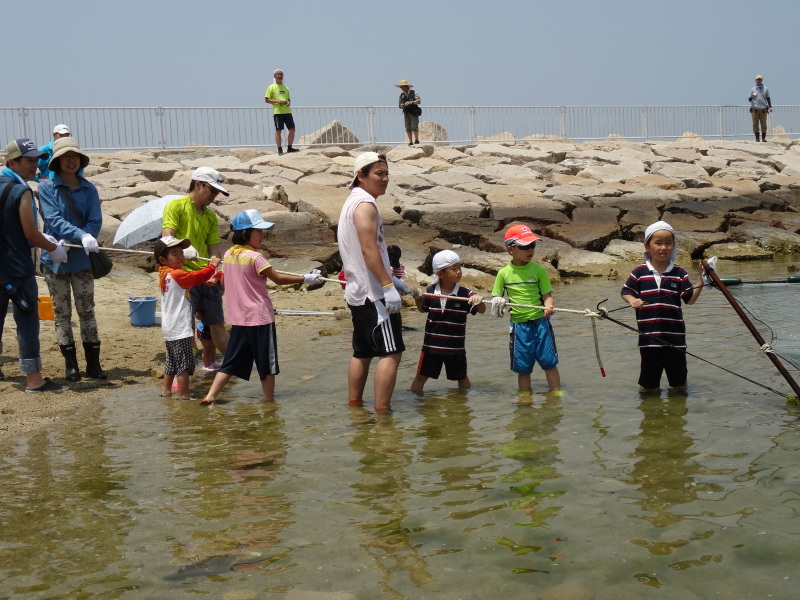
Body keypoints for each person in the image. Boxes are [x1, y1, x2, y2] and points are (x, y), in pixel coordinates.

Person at [201, 209, 322, 405]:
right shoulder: (256, 257)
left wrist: (218, 277)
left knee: (231, 360)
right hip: (260, 318)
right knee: (267, 363)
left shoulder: (229, 254)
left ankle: (210, 396)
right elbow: (278, 279)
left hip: (239, 318)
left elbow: (225, 284)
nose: (262, 235)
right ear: (245, 233)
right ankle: (269, 403)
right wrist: (306, 277)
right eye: (258, 231)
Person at [338, 152, 408, 413]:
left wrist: (391, 279)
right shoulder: (365, 204)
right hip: (374, 294)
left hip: (358, 291)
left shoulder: (352, 201)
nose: (385, 179)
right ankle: (382, 413)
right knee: (392, 352)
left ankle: (355, 407)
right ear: (360, 175)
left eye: (387, 173)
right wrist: (387, 287)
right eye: (379, 173)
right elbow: (368, 250)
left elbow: (370, 249)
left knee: (363, 352)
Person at [0, 138, 69, 392]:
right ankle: (34, 380)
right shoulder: (22, 191)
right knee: (27, 321)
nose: (36, 165)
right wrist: (54, 248)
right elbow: (31, 233)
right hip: (17, 270)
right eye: (29, 161)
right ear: (12, 162)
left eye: (37, 159)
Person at [38, 137, 106, 381]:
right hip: (55, 258)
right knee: (62, 312)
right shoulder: (46, 187)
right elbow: (53, 219)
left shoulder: (89, 188)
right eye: (65, 157)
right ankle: (71, 365)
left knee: (87, 310)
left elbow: (95, 220)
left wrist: (89, 235)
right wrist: (82, 234)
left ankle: (94, 365)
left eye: (74, 156)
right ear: (56, 161)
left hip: (82, 261)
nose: (70, 161)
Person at [621, 221, 703, 391]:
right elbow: (625, 291)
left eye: (668, 243)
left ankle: (678, 413)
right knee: (648, 385)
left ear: (674, 246)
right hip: (649, 340)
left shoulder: (679, 272)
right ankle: (651, 414)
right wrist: (632, 301)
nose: (663, 247)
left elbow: (690, 299)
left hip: (676, 340)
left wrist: (701, 279)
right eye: (658, 243)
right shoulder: (639, 271)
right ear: (647, 246)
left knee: (679, 384)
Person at [161, 167, 230, 367]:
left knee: (217, 324)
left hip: (206, 277)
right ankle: (179, 376)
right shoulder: (176, 206)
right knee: (184, 330)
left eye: (218, 192)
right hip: (182, 279)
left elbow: (214, 250)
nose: (215, 196)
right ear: (198, 184)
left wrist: (215, 274)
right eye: (213, 191)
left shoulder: (211, 217)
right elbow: (167, 238)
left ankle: (237, 365)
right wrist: (184, 249)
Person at [490, 224, 561, 394]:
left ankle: (556, 394)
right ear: (510, 249)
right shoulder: (503, 273)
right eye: (524, 246)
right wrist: (497, 301)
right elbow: (496, 296)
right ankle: (525, 397)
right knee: (523, 367)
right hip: (519, 326)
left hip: (541, 322)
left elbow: (547, 295)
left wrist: (548, 306)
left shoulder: (539, 270)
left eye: (532, 245)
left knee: (549, 362)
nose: (530, 250)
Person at [410, 250, 485, 393]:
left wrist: (479, 300)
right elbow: (422, 309)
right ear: (440, 273)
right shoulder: (430, 291)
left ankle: (462, 407)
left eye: (459, 268)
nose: (459, 272)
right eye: (454, 269)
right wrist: (417, 298)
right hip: (431, 347)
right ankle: (414, 403)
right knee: (420, 377)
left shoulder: (465, 294)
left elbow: (481, 310)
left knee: (462, 378)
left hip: (455, 349)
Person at [155, 236, 220, 400]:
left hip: (169, 328)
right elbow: (196, 276)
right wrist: (212, 265)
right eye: (175, 254)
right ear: (163, 259)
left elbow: (191, 279)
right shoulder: (176, 274)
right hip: (180, 328)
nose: (181, 257)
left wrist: (206, 280)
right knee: (183, 365)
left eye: (181, 253)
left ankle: (166, 392)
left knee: (171, 362)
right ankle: (184, 397)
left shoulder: (166, 274)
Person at [264, 69, 298, 155]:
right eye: (278, 74)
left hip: (287, 111)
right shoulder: (271, 87)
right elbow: (267, 100)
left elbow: (288, 98)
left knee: (292, 129)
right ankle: (279, 148)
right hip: (278, 112)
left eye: (281, 74)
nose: (280, 76)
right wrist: (277, 101)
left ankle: (289, 147)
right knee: (279, 130)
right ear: (274, 76)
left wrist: (288, 102)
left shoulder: (285, 87)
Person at [396, 79, 421, 146]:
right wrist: (401, 105)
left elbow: (418, 101)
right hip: (406, 113)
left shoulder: (414, 92)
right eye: (401, 87)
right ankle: (410, 141)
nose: (401, 88)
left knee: (414, 126)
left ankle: (417, 140)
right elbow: (399, 104)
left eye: (402, 87)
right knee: (408, 127)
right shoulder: (402, 95)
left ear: (407, 86)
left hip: (413, 112)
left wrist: (411, 102)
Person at [749, 74, 772, 142]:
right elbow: (749, 100)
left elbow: (768, 98)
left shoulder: (766, 89)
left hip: (763, 109)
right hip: (755, 108)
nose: (758, 81)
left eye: (760, 79)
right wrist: (752, 96)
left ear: (762, 80)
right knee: (755, 123)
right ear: (755, 80)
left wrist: (770, 106)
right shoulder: (752, 89)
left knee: (764, 123)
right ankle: (757, 138)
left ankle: (764, 138)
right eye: (757, 79)